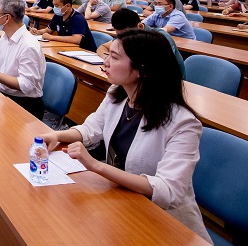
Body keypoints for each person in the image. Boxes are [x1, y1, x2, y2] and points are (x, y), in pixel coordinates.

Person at [38, 29, 210, 243]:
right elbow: (92, 128)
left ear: (142, 70)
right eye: (108, 54)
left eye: (115, 57)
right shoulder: (117, 93)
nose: (106, 62)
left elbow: (168, 190)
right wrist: (59, 135)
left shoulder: (183, 123)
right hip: (123, 201)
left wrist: (96, 166)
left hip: (165, 223)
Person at [98, 9, 185, 78]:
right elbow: (102, 47)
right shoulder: (127, 35)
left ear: (140, 26)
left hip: (168, 80)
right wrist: (108, 58)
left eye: (126, 35)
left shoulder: (160, 38)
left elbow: (158, 67)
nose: (124, 38)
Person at [31, 0, 96, 51]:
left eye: (56, 5)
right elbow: (48, 30)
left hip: (83, 51)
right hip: (67, 48)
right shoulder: (58, 15)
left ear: (67, 6)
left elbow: (76, 39)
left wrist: (52, 37)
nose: (54, 8)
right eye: (53, 5)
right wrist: (38, 32)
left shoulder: (78, 18)